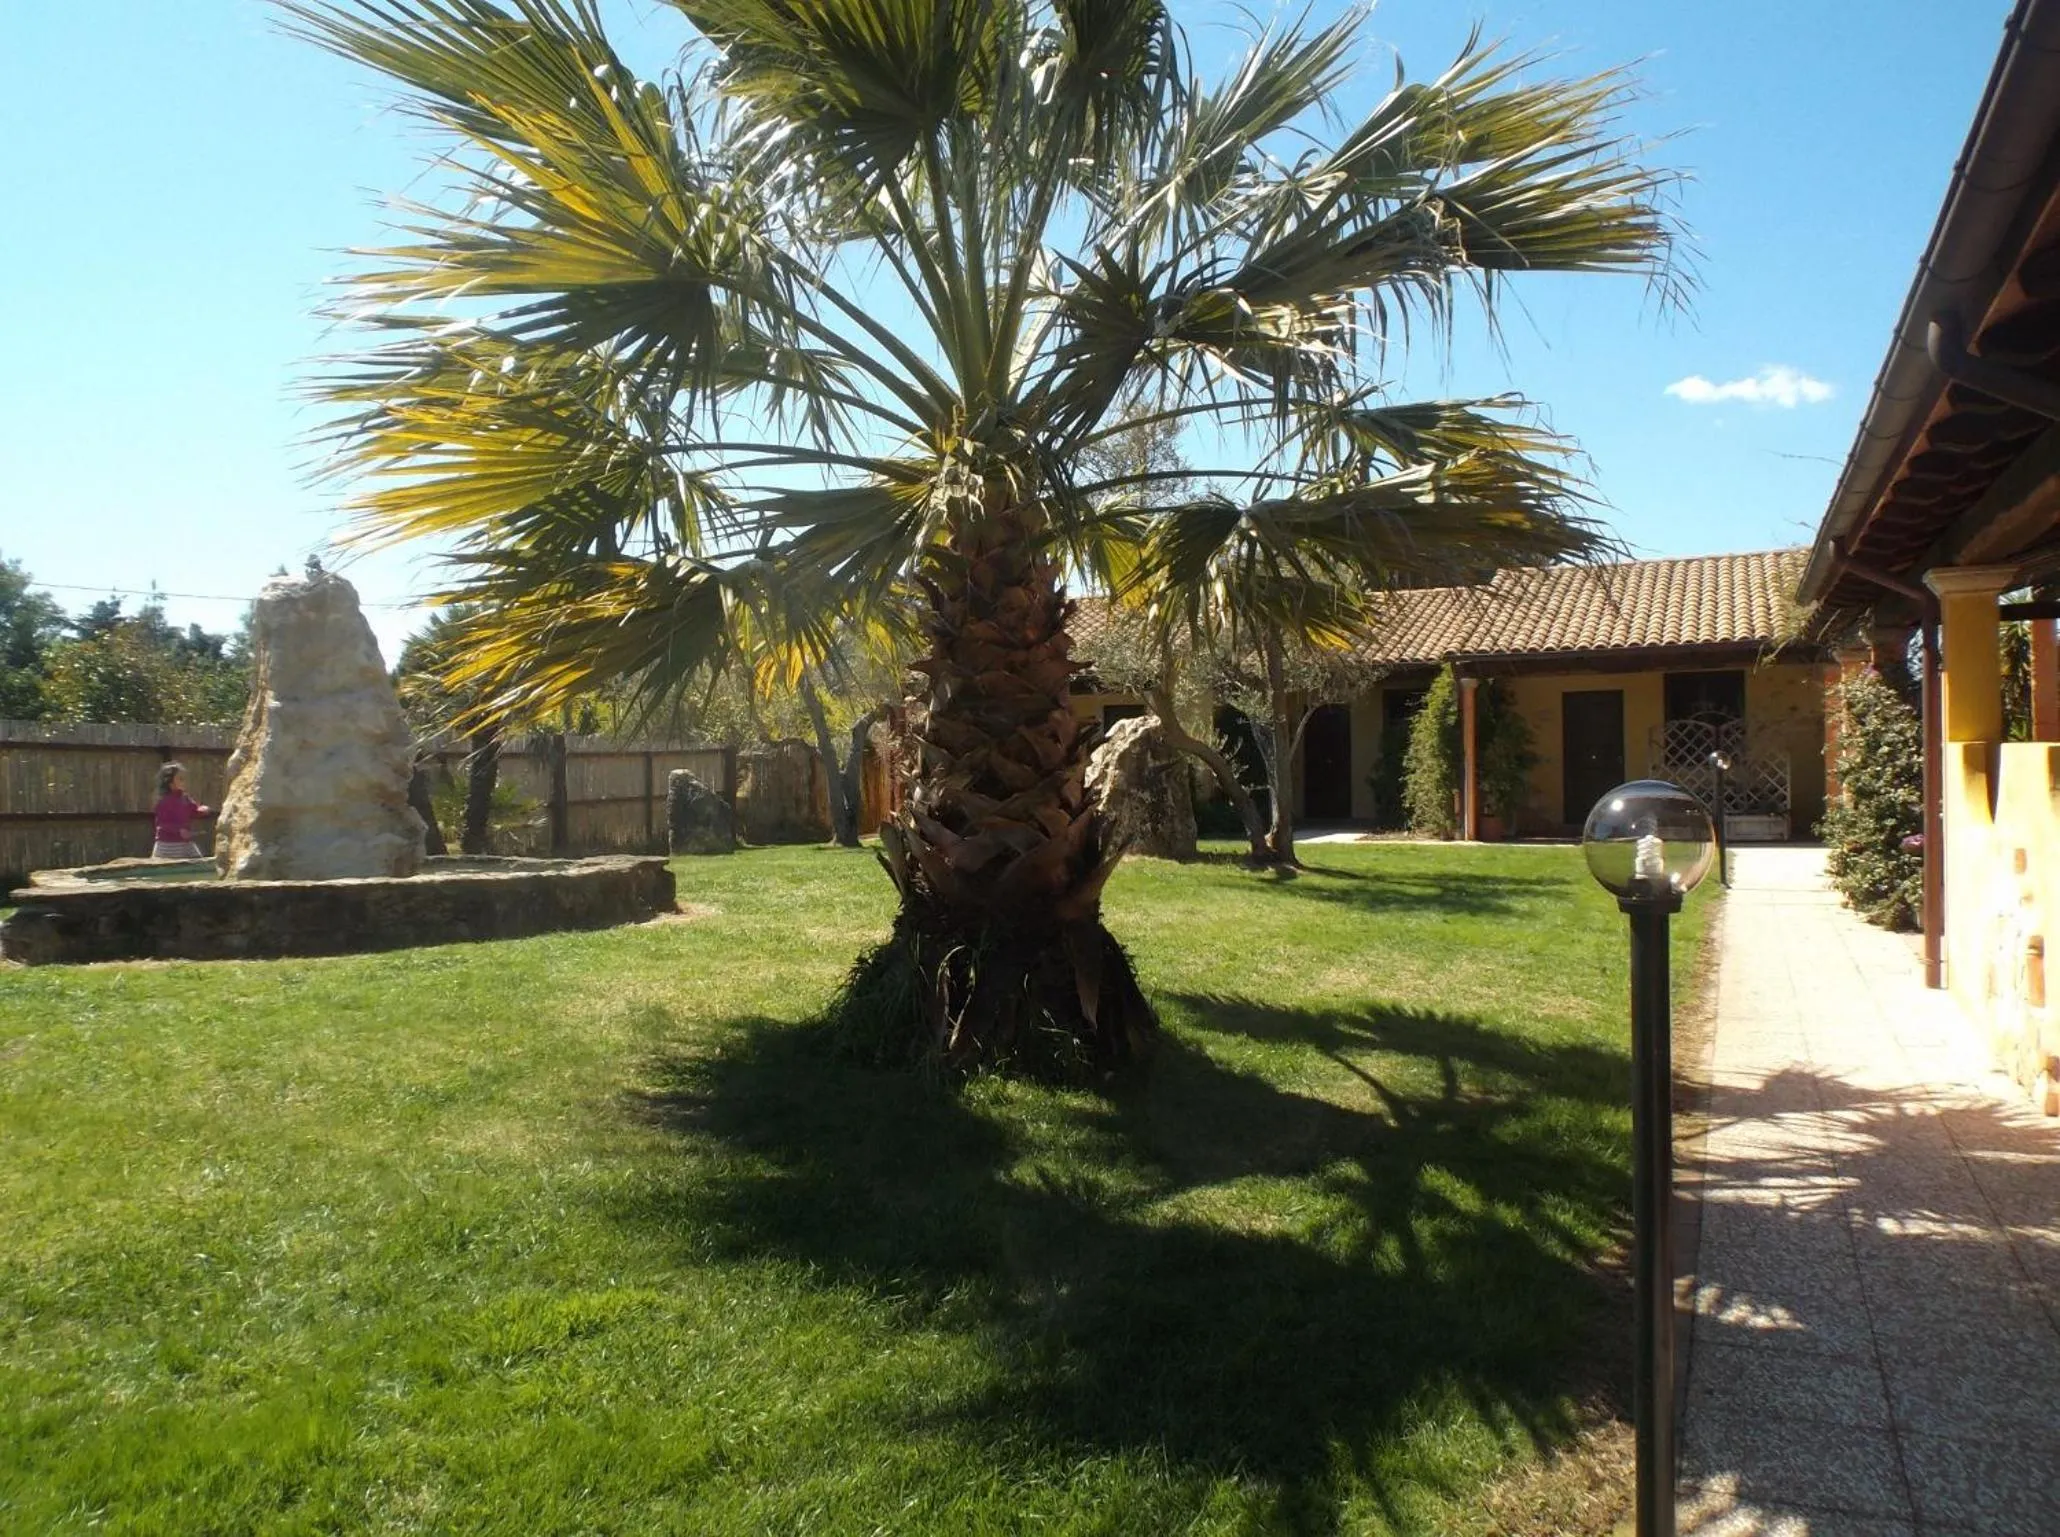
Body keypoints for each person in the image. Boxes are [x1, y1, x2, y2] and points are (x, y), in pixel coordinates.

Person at [152, 762, 213, 859]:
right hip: (168, 845)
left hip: (186, 843)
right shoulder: (163, 801)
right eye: (180, 779)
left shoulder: (185, 798)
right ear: (170, 783)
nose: (184, 781)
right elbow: (161, 824)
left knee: (199, 864)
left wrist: (203, 810)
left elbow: (194, 811)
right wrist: (178, 830)